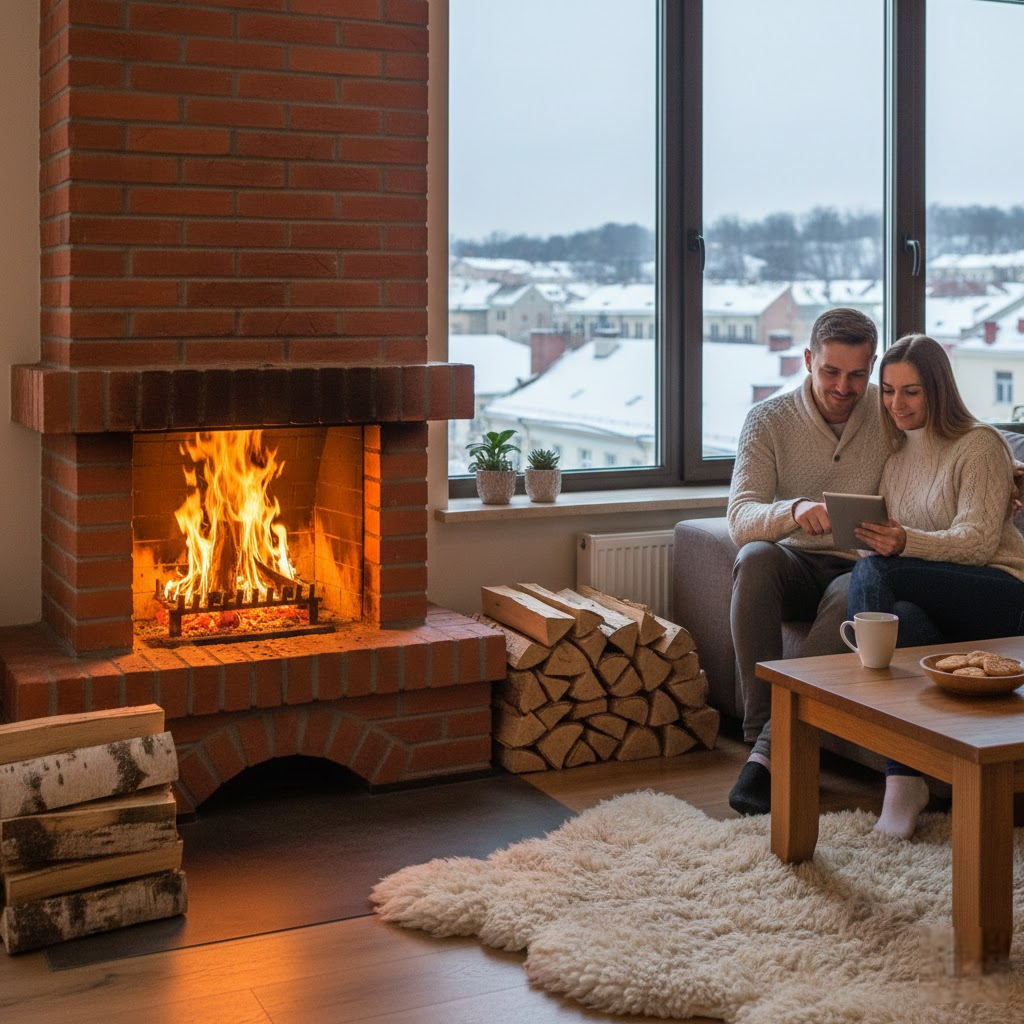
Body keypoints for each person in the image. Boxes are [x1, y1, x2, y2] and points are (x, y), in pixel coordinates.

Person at [847, 333, 1024, 839]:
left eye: (911, 392)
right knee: (907, 616)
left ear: (938, 390)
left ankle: (894, 773)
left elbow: (973, 544)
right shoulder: (897, 459)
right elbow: (899, 547)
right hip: (943, 603)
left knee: (875, 574)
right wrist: (872, 538)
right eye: (887, 390)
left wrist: (901, 543)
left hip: (1002, 592)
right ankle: (907, 777)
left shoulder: (981, 444)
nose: (895, 404)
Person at [726, 308, 890, 816]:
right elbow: (740, 516)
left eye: (858, 375)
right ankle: (761, 735)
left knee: (853, 591)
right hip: (794, 563)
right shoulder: (768, 420)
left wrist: (1007, 465)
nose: (843, 387)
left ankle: (769, 755)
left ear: (873, 366)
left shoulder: (891, 419)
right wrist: (792, 510)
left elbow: (959, 433)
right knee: (754, 558)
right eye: (830, 372)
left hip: (857, 568)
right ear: (807, 361)